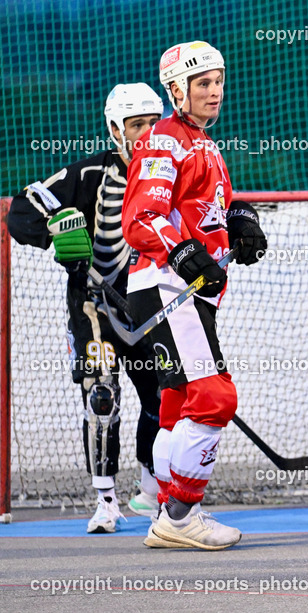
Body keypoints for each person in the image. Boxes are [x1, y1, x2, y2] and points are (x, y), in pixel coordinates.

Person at [121, 41, 266, 550]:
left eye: (219, 81)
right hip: (168, 288)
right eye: (202, 83)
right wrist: (183, 255)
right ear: (176, 89)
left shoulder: (201, 142)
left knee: (178, 403)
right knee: (213, 396)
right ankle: (180, 517)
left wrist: (240, 219)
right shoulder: (164, 140)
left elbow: (205, 208)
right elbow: (142, 219)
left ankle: (169, 510)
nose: (215, 92)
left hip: (179, 291)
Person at [8, 83, 165, 533]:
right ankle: (106, 499)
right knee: (101, 395)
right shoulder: (89, 173)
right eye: (138, 125)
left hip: (150, 308)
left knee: (162, 396)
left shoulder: (169, 171)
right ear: (116, 128)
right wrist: (58, 234)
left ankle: (152, 489)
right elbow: (23, 207)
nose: (147, 133)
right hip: (94, 307)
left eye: (154, 124)